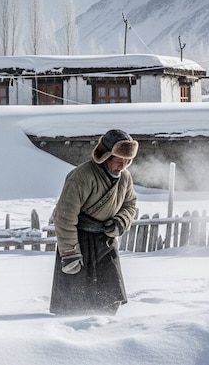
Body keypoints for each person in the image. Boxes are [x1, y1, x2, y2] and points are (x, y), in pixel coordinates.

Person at [49, 129, 138, 315]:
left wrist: (120, 222)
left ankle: (104, 328)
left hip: (105, 240)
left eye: (127, 161)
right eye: (119, 159)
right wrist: (70, 253)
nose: (123, 165)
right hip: (79, 241)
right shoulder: (81, 176)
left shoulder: (125, 178)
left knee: (109, 297)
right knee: (75, 303)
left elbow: (130, 204)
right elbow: (64, 217)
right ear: (105, 155)